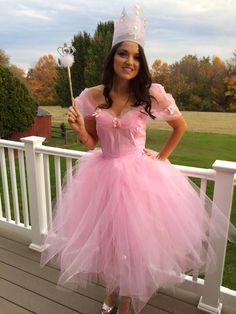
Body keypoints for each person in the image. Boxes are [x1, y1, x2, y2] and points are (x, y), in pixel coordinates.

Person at [41, 5, 235, 314]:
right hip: (102, 174)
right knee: (110, 244)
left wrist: (161, 159)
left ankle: (127, 300)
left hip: (139, 177)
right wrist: (80, 130)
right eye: (123, 54)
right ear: (113, 57)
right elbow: (93, 144)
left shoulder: (150, 94)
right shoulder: (92, 96)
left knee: (133, 245)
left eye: (136, 56)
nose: (129, 61)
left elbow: (180, 126)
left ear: (140, 62)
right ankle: (111, 290)